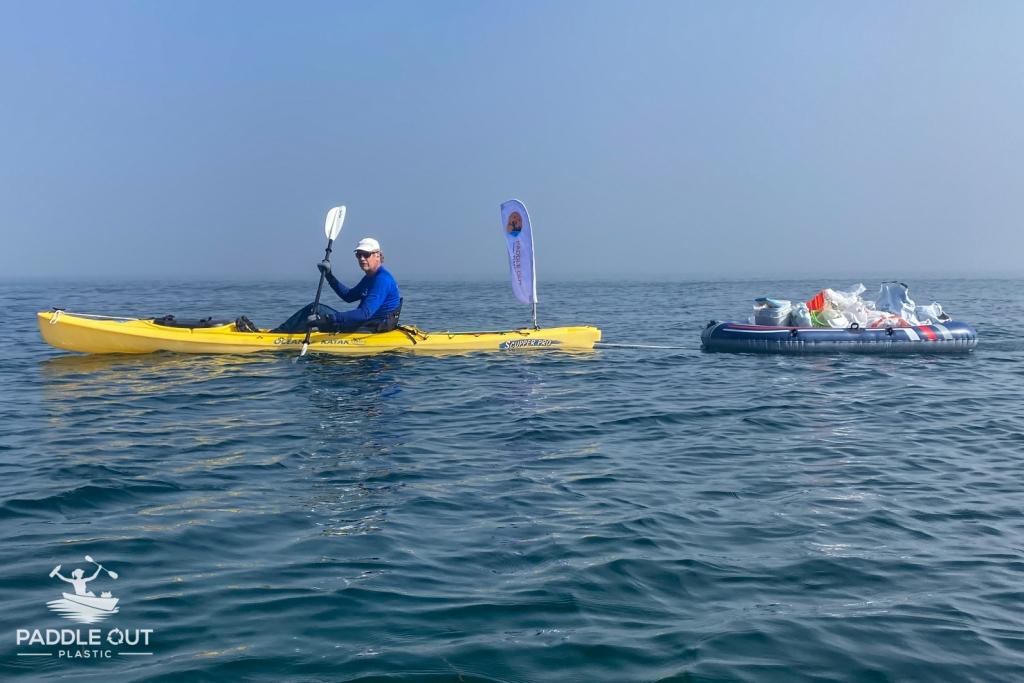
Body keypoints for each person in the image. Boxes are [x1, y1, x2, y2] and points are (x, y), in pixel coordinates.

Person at [274, 237, 402, 333]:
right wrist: (329, 276)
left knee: (314, 309)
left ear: (378, 255)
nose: (362, 258)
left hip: (371, 326)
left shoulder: (382, 280)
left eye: (366, 254)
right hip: (365, 323)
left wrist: (329, 318)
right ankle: (283, 333)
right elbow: (349, 296)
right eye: (359, 255)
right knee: (315, 311)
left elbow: (365, 313)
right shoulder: (370, 277)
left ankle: (276, 335)